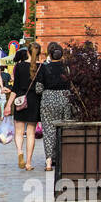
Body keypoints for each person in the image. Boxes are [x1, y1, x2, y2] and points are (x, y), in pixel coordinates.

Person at [39, 42, 73, 173]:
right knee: (64, 128)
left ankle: (48, 161)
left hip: (48, 99)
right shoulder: (67, 68)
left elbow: (38, 88)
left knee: (48, 130)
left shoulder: (44, 68)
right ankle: (63, 159)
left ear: (49, 54)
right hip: (65, 98)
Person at [11, 48, 44, 171]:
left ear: (28, 53)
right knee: (30, 133)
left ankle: (20, 151)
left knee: (19, 131)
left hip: (20, 100)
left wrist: (8, 105)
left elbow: (15, 87)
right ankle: (29, 163)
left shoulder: (19, 66)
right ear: (39, 53)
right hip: (34, 101)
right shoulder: (41, 67)